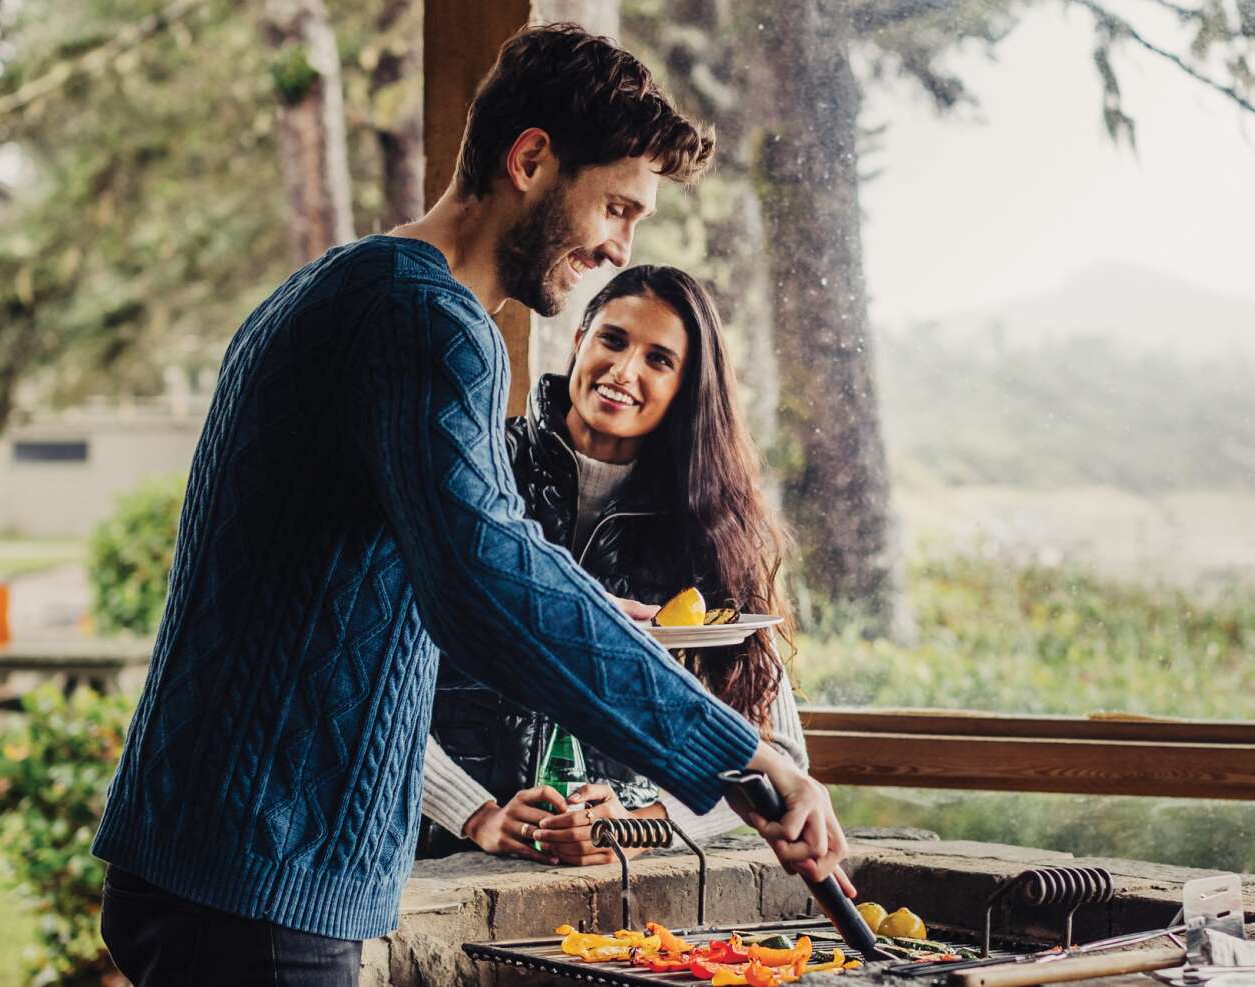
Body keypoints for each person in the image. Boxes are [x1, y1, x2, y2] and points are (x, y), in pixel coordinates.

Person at [92, 24, 848, 987]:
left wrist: (577, 604)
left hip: (209, 858)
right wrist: (744, 758)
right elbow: (483, 586)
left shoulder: (336, 288)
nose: (619, 245)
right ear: (531, 158)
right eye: (616, 205)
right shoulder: (432, 323)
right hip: (260, 882)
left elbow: (428, 555)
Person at [417, 265, 804, 865]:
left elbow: (781, 759)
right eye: (613, 340)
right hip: (433, 860)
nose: (624, 372)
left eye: (659, 360)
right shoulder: (475, 471)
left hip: (613, 887)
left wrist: (634, 827)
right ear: (579, 342)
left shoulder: (717, 527)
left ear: (688, 386)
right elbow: (379, 673)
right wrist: (472, 810)